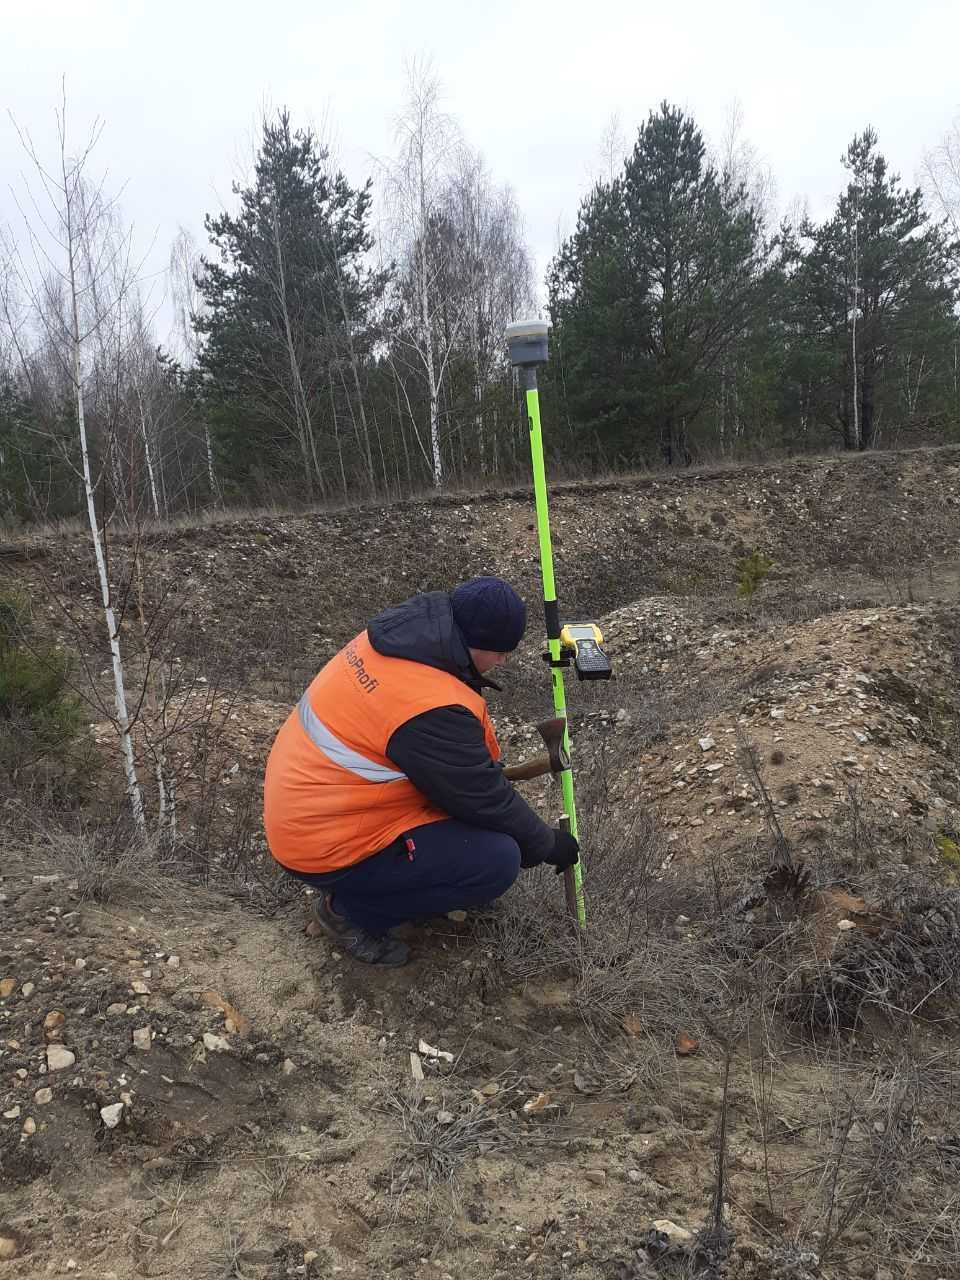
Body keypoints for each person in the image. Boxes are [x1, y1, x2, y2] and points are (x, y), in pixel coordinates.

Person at [263, 576, 580, 966]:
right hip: (321, 844)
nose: (503, 662)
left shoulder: (403, 641)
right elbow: (482, 797)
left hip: (311, 808)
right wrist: (546, 844)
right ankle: (347, 913)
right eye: (499, 652)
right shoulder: (426, 704)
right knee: (496, 861)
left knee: (474, 834)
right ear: (474, 643)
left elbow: (460, 778)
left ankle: (407, 887)